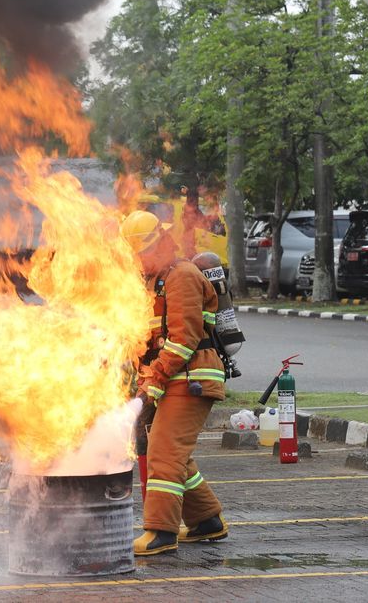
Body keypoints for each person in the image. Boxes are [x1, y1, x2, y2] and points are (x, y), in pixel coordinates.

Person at [121, 210, 228, 556]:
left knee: (164, 453)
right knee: (176, 456)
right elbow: (148, 340)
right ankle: (206, 520)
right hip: (172, 378)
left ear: (159, 246)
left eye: (139, 254)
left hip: (192, 377)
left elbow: (183, 339)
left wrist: (156, 378)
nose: (137, 262)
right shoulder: (155, 281)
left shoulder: (182, 276)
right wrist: (142, 379)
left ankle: (160, 531)